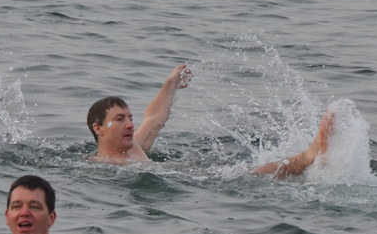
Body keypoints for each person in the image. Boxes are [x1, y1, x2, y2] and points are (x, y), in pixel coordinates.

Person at [87, 64, 336, 179]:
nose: (130, 124)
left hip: (192, 173)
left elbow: (155, 118)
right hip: (196, 179)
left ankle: (309, 159)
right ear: (98, 128)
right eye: (119, 120)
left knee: (247, 172)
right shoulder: (105, 165)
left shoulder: (134, 148)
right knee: (249, 175)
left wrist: (171, 83)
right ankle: (308, 156)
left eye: (130, 118)